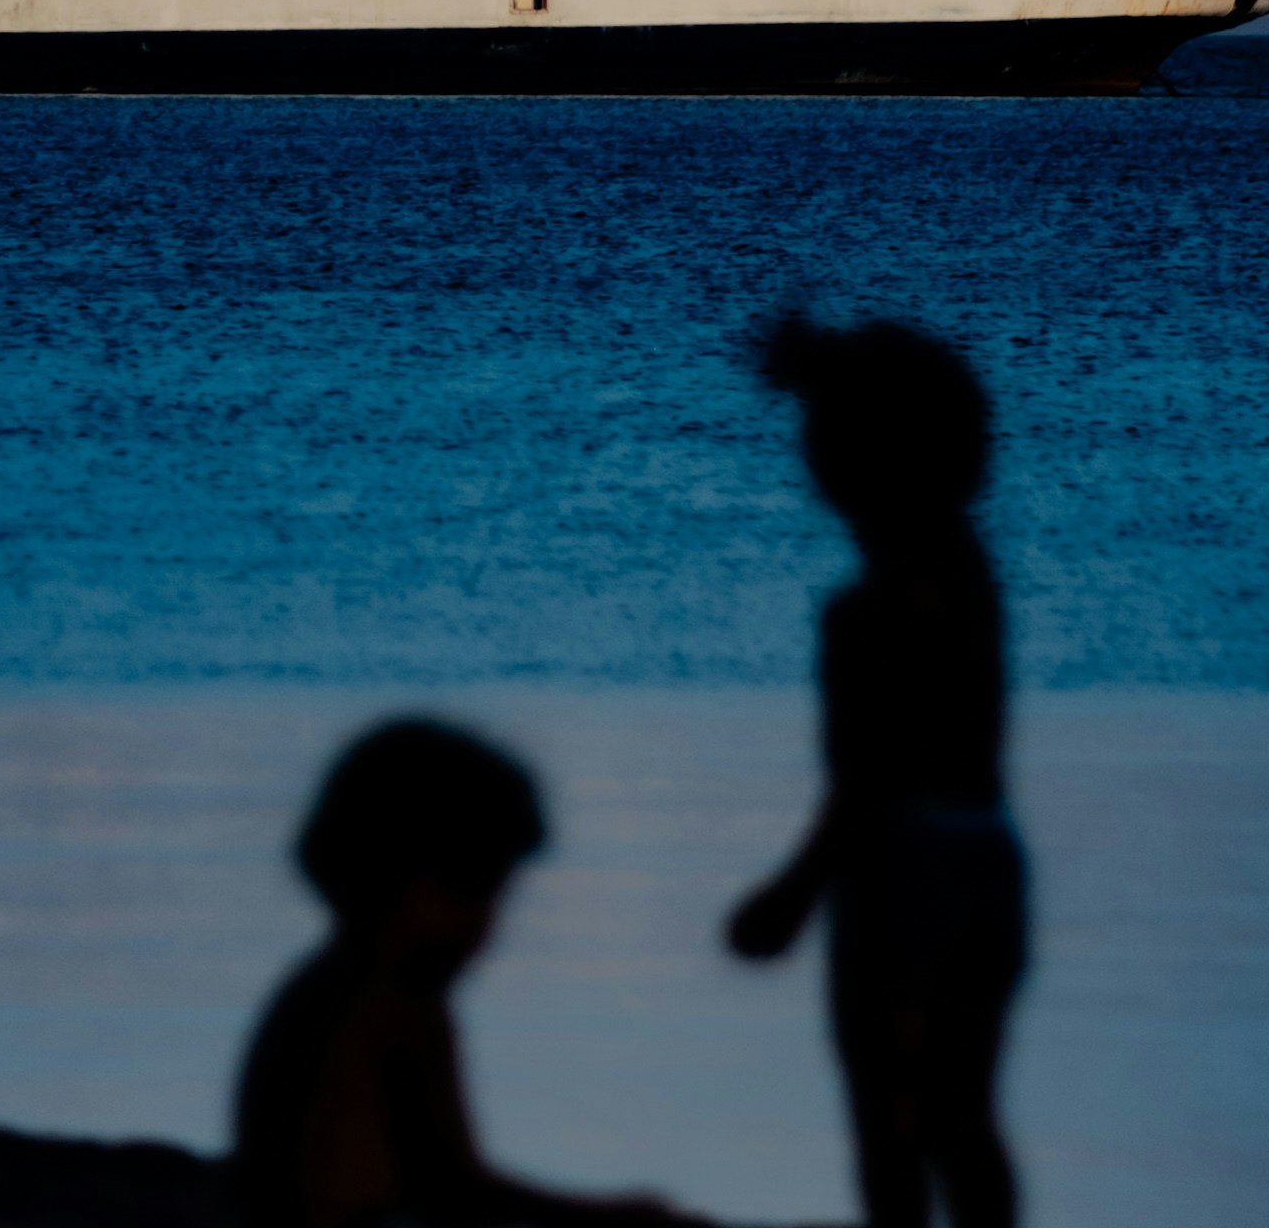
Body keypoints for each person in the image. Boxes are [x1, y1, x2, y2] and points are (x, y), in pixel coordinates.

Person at [724, 315, 1026, 1228]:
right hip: (988, 866)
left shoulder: (868, 614)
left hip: (901, 878)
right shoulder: (971, 574)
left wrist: (791, 892)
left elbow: (868, 778)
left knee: (890, 1128)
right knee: (962, 1118)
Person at [231, 715, 702, 1228]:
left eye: (492, 893)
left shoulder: (333, 990)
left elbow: (453, 1185)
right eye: (468, 885)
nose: (482, 924)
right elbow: (456, 1194)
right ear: (381, 868)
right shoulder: (390, 1006)